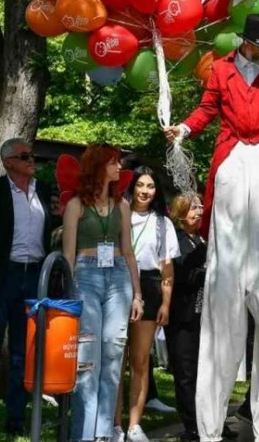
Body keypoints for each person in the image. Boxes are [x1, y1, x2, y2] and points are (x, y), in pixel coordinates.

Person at [164, 11, 259, 442]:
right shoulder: (222, 68)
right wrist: (184, 128)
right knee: (225, 238)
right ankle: (226, 271)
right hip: (230, 153)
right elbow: (208, 109)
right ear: (245, 42)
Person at [0, 139, 57, 440]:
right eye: (25, 156)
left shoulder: (43, 191)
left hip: (33, 276)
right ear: (8, 161)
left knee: (25, 351)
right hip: (3, 275)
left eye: (32, 156)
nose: (31, 160)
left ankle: (16, 418)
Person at [61, 144, 143, 442]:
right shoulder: (76, 205)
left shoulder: (122, 204)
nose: (119, 168)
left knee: (113, 356)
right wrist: (69, 297)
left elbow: (129, 252)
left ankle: (104, 434)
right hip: (86, 275)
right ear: (98, 166)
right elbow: (68, 255)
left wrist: (137, 294)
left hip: (119, 276)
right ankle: (83, 434)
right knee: (88, 361)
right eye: (113, 163)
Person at [113, 168, 181, 442]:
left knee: (140, 360)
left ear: (156, 190)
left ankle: (134, 424)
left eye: (150, 186)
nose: (144, 191)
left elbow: (167, 270)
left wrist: (166, 303)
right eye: (140, 185)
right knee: (116, 360)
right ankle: (115, 424)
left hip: (151, 287)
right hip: (118, 281)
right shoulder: (118, 213)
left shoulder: (164, 224)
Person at [167, 193, 207, 442]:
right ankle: (191, 425)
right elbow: (180, 272)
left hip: (202, 314)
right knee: (185, 372)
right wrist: (204, 272)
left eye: (201, 206)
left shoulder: (201, 238)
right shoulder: (177, 239)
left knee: (203, 370)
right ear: (181, 212)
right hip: (181, 314)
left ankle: (207, 420)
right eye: (193, 207)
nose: (199, 211)